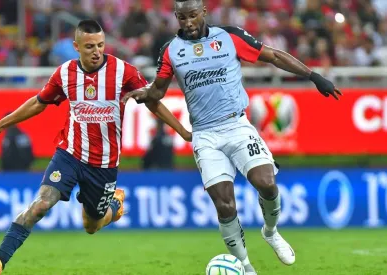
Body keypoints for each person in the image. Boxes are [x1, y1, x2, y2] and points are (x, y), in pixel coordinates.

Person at [122, 1, 342, 274]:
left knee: (267, 183)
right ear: (176, 18)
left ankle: (271, 231)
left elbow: (272, 55)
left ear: (203, 12)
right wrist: (148, 97)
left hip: (237, 125)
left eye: (192, 16)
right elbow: (157, 92)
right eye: (182, 18)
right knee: (224, 205)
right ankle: (247, 268)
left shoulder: (229, 37)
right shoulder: (170, 51)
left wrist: (312, 75)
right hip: (205, 135)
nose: (188, 23)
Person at [0, 19, 191, 275]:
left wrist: (183, 132)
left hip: (104, 164)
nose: (96, 51)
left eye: (100, 45)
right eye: (89, 46)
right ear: (76, 46)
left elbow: (153, 101)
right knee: (41, 204)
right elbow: (38, 103)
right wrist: (0, 124)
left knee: (91, 225)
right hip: (69, 154)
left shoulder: (124, 72)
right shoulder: (65, 73)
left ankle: (114, 206)